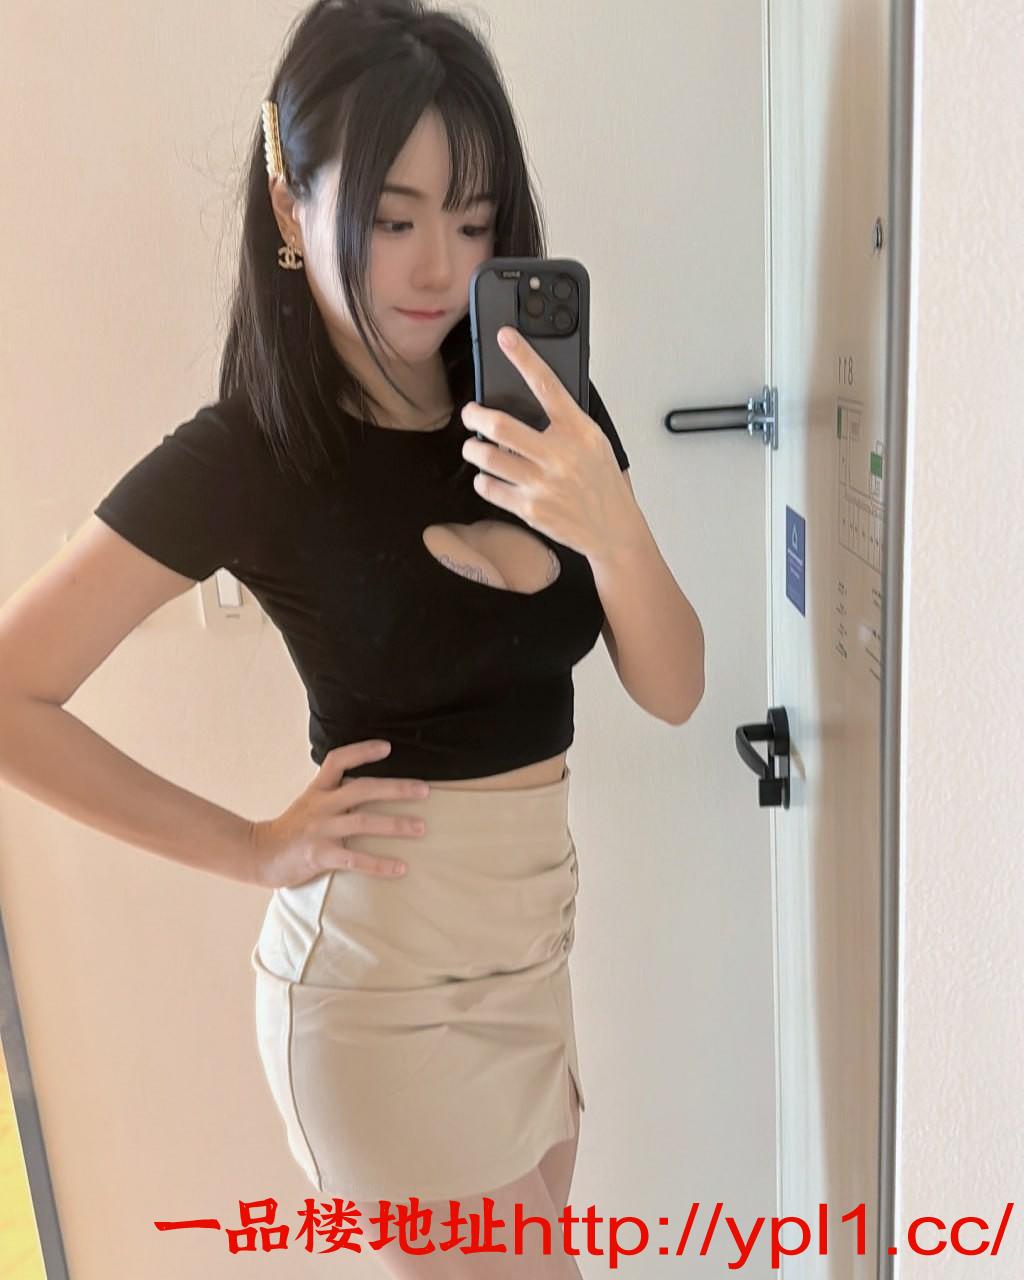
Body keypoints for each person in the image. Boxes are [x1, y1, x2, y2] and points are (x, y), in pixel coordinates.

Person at [0, 1, 705, 1274]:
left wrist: (611, 520)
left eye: (473, 220)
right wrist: (250, 846)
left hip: (532, 959)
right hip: (383, 999)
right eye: (391, 218)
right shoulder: (250, 456)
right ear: (290, 201)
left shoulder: (539, 408)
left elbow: (674, 686)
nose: (438, 265)